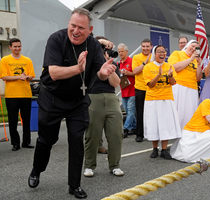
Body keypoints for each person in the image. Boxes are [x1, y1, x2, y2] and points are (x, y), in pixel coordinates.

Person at [28, 8, 116, 199]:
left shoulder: (93, 45)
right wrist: (78, 68)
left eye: (81, 28)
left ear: (90, 29)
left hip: (78, 100)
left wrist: (104, 72)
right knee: (47, 140)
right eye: (73, 26)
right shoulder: (56, 39)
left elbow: (99, 73)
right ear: (68, 24)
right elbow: (53, 73)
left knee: (76, 141)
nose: (76, 31)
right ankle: (37, 170)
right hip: (53, 98)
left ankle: (74, 185)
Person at [83, 37, 124, 178]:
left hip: (111, 98)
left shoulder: (113, 64)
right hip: (94, 97)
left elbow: (115, 83)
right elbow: (88, 43)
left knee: (116, 134)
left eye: (107, 49)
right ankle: (89, 166)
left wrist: (109, 65)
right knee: (92, 135)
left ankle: (115, 165)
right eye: (103, 48)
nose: (105, 51)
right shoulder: (90, 60)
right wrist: (100, 42)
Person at [143, 45, 181, 159]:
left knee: (166, 124)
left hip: (166, 99)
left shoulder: (169, 66)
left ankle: (164, 150)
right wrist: (159, 75)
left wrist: (169, 76)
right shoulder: (148, 67)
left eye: (163, 52)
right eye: (159, 51)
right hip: (152, 99)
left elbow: (173, 82)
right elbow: (150, 84)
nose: (162, 54)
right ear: (154, 54)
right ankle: (155, 149)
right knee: (153, 124)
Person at [0, 38, 35, 151]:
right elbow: (4, 77)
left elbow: (31, 76)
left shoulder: (27, 60)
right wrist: (18, 77)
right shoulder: (5, 60)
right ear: (10, 47)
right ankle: (15, 143)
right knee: (13, 120)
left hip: (25, 94)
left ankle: (26, 142)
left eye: (19, 46)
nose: (17, 48)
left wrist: (26, 77)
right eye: (15, 46)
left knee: (27, 119)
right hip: (11, 95)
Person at [168, 40, 202, 128]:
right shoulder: (177, 54)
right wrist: (190, 59)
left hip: (192, 89)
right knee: (179, 113)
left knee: (190, 113)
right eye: (192, 46)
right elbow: (174, 68)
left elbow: (198, 78)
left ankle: (187, 132)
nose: (194, 48)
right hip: (179, 86)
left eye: (196, 48)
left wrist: (199, 65)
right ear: (187, 46)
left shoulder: (196, 59)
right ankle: (176, 131)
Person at [132, 39, 152, 142]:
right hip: (140, 88)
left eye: (147, 46)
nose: (145, 48)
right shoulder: (136, 57)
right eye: (143, 46)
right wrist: (145, 63)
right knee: (140, 112)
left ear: (151, 47)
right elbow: (135, 71)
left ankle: (151, 133)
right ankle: (139, 134)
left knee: (151, 113)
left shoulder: (155, 57)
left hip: (152, 89)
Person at [117, 43, 137, 137]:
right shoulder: (119, 63)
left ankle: (125, 128)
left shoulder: (132, 61)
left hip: (132, 89)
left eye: (122, 51)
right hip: (124, 89)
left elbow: (137, 73)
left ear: (126, 51)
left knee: (131, 109)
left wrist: (128, 73)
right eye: (119, 51)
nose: (120, 53)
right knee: (128, 111)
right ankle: (134, 126)